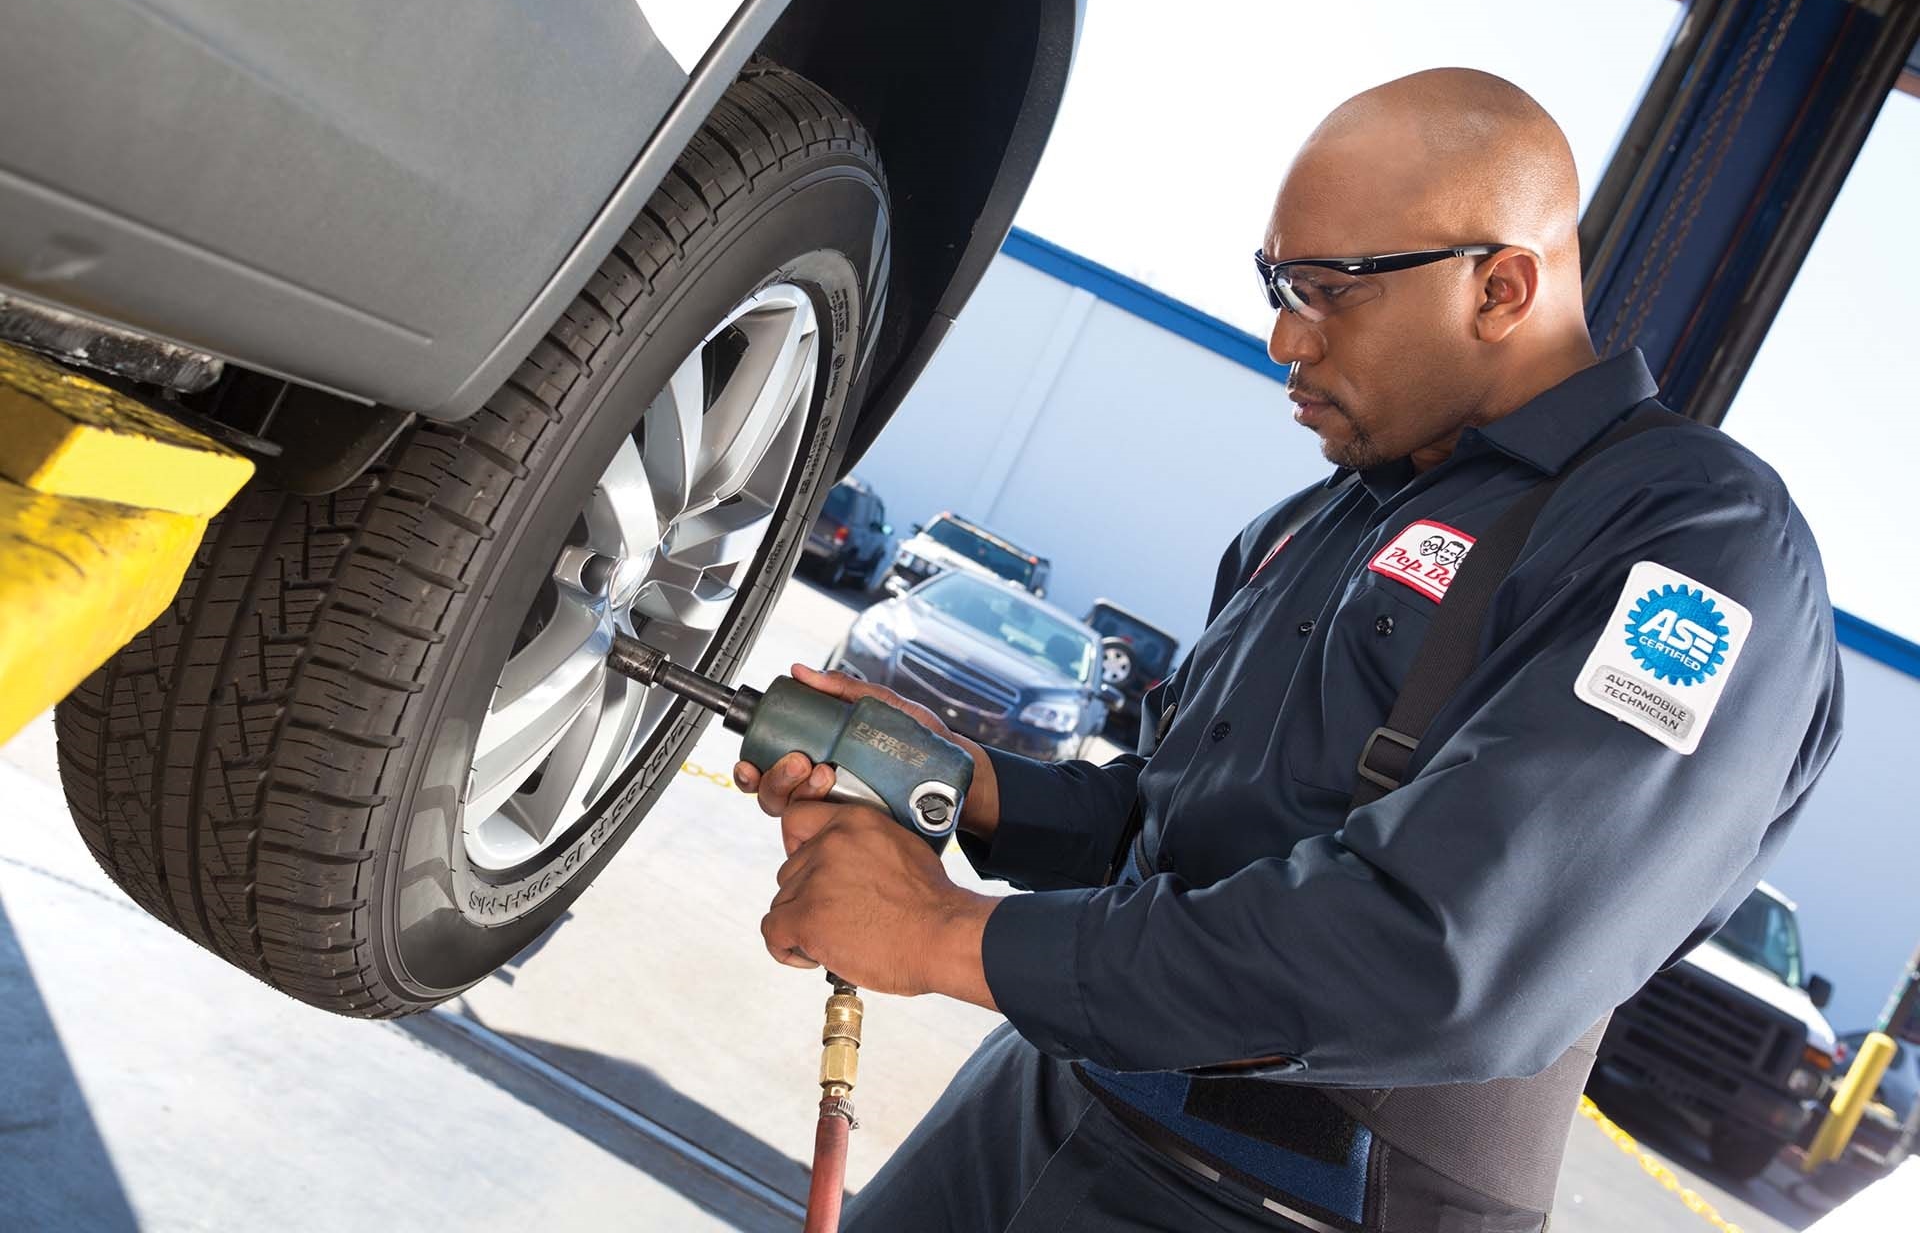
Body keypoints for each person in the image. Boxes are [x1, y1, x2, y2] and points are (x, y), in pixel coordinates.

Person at [736, 68, 1843, 1232]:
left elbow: (1445, 952)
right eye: (1277, 286)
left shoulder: (1695, 545)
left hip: (1291, 1205)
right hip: (1051, 1100)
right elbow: (1173, 826)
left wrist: (943, 932)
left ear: (1502, 286)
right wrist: (970, 784)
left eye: (1326, 291)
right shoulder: (1321, 520)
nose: (1282, 337)